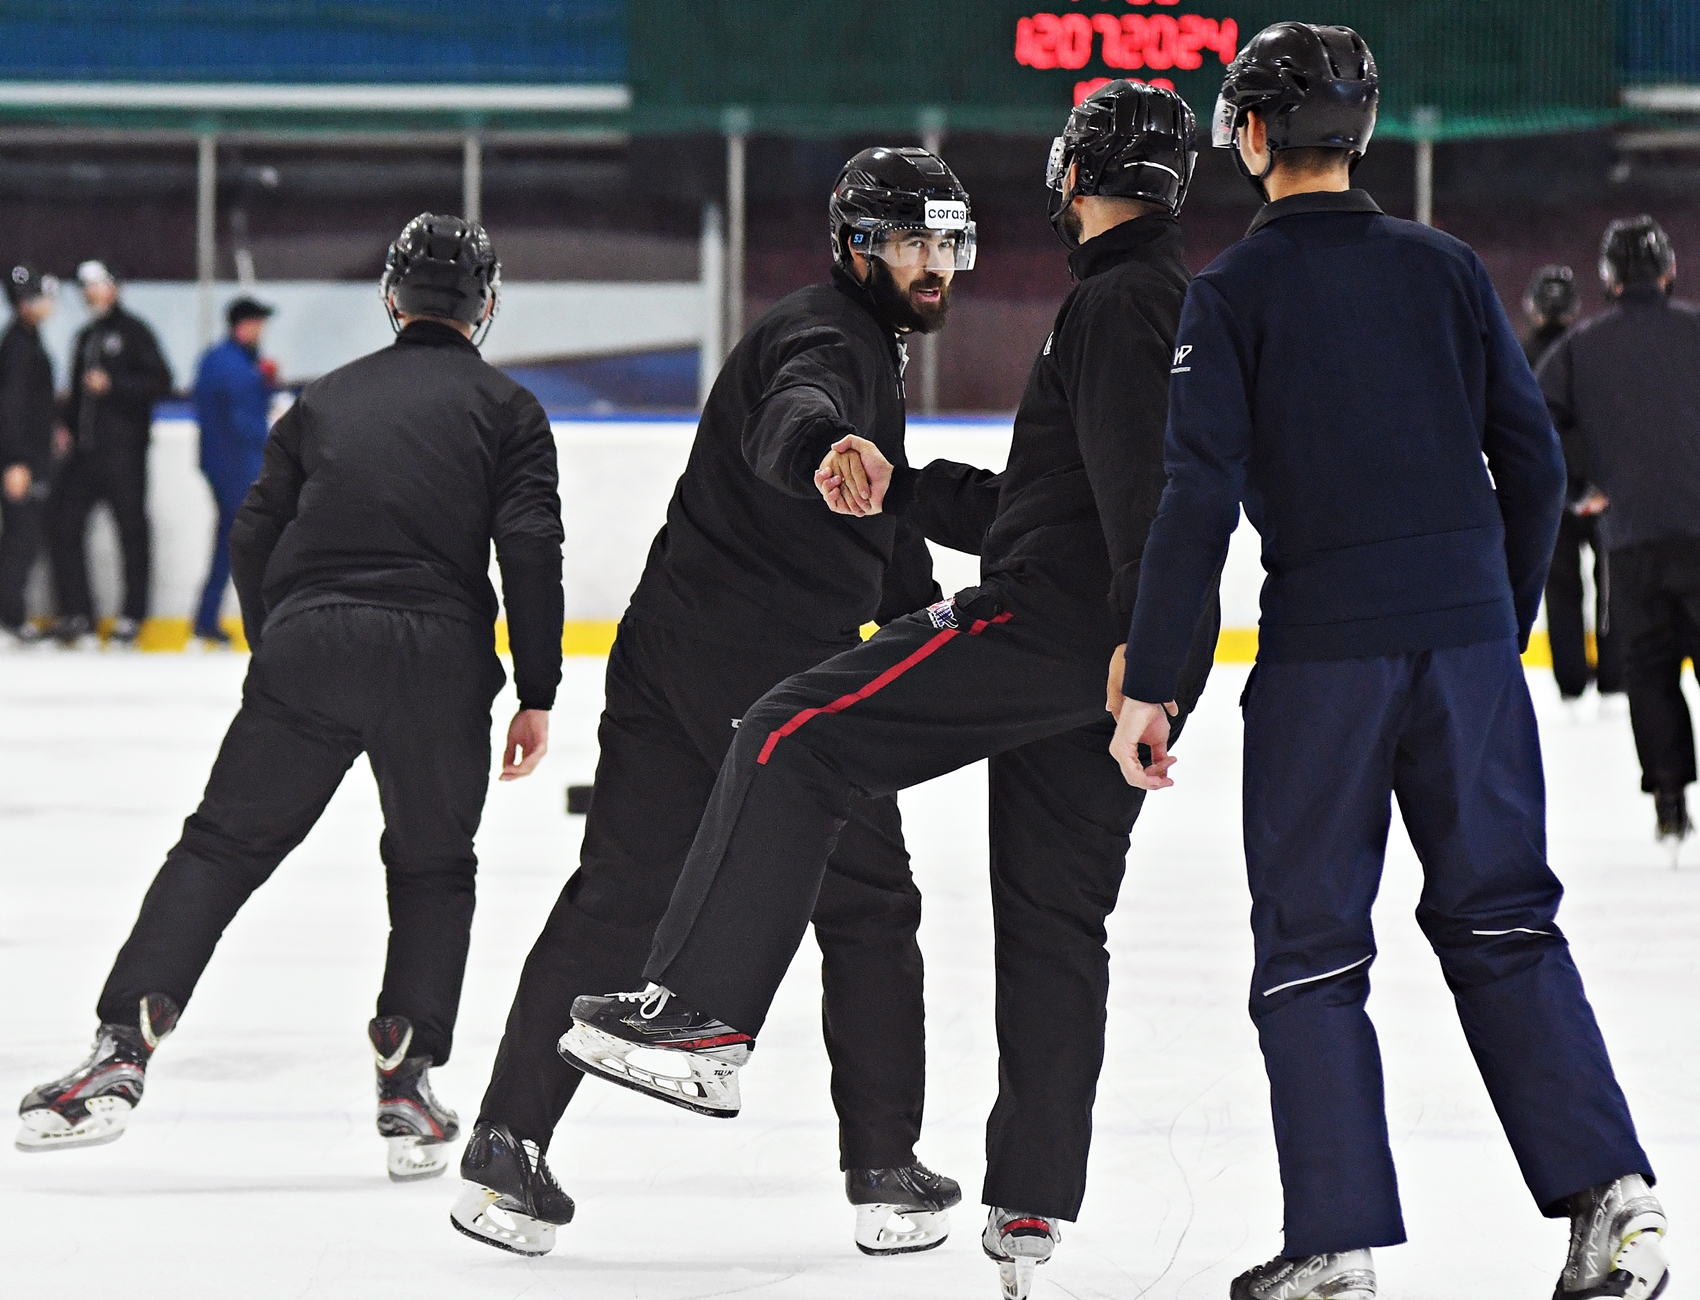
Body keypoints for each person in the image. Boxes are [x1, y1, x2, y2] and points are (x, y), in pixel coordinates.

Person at [558, 83, 1221, 1300]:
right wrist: (906, 487)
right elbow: (1056, 507)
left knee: (791, 732)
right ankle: (1029, 1199)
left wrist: (1150, 663)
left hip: (1064, 635)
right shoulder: (1156, 302)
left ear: (1074, 175)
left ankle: (704, 1014)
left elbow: (1149, 503)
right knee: (1052, 920)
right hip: (1100, 644)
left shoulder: (1122, 305)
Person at [1107, 25, 1668, 1300]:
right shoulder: (1448, 268)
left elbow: (1192, 500)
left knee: (1310, 948)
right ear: (1356, 131)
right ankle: (1614, 1208)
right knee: (1508, 920)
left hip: (1326, 664)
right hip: (1466, 647)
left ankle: (1337, 1249)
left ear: (1250, 134)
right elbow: (1530, 462)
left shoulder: (1229, 297)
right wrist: (1495, 615)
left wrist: (1156, 678)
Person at [451, 146, 964, 1261]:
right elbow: (802, 416)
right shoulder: (827, 336)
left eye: (948, 245)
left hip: (675, 656)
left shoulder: (863, 340)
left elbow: (871, 519)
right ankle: (884, 1169)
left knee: (621, 897)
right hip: (779, 684)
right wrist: (824, 445)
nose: (936, 267)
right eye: (917, 244)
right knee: (870, 904)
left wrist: (923, 603)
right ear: (857, 246)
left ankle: (504, 1144)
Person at [16, 215, 564, 1188]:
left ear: (391, 299)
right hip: (439, 662)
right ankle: (408, 1072)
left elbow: (253, 529)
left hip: (310, 644)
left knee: (220, 846)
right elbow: (528, 548)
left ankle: (121, 1046)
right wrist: (535, 687)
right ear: (483, 308)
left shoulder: (325, 397)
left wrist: (283, 642)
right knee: (434, 869)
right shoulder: (510, 409)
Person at [1540, 215, 1700, 853]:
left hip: (1632, 540)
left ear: (1606, 278)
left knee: (1650, 670)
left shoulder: (1579, 349)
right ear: (1667, 272)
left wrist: (1580, 489)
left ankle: (1668, 801)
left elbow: (1533, 422)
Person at [49, 260, 172, 648]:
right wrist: (66, 424)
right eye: (86, 287)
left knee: (131, 532)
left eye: (97, 285)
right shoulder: (85, 337)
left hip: (124, 454)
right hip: (86, 454)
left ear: (114, 287)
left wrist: (114, 384)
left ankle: (132, 616)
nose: (90, 293)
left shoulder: (134, 332)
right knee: (63, 525)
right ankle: (78, 613)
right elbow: (75, 393)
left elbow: (160, 381)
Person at [1524, 265, 1623, 706]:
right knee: (1612, 587)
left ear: (1532, 306)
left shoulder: (1518, 355)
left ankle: (1570, 680)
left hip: (1550, 493)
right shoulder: (1593, 352)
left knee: (1561, 589)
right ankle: (1615, 675)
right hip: (1601, 491)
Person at [192, 296, 276, 645]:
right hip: (234, 465)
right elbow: (244, 420)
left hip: (228, 463)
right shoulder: (231, 366)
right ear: (244, 325)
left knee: (232, 540)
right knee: (239, 540)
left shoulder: (228, 361)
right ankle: (213, 617)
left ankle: (208, 617)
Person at [0, 265, 67, 646]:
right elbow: (11, 408)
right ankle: (10, 618)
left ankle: (12, 616)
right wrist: (15, 462)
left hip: (31, 456)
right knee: (20, 539)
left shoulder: (28, 340)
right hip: (22, 460)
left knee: (24, 538)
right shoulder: (18, 346)